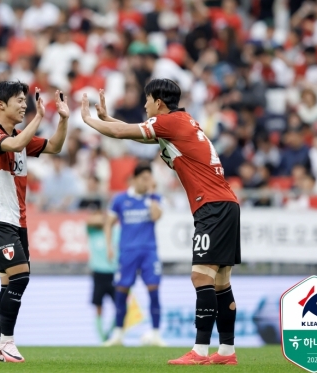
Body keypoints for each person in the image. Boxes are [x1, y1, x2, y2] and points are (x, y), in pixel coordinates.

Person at [81, 80, 241, 365]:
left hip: (212, 206)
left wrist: (88, 121)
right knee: (220, 281)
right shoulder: (182, 122)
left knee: (201, 276)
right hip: (226, 203)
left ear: (158, 102)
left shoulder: (170, 122)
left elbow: (121, 132)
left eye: (147, 100)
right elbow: (133, 134)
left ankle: (200, 352)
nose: (144, 106)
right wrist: (106, 118)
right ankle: (226, 352)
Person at [0, 82, 69, 363]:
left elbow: (55, 146)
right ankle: (7, 341)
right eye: (19, 100)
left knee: (9, 284)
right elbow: (15, 144)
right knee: (21, 276)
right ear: (1, 104)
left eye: (25, 101)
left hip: (18, 222)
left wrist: (63, 119)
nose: (24, 105)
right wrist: (39, 118)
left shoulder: (21, 135)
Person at [102, 163, 166, 347]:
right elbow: (109, 223)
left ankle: (155, 334)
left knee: (154, 290)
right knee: (121, 292)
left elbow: (155, 216)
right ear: (135, 179)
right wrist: (109, 247)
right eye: (144, 178)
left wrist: (152, 193)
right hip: (127, 252)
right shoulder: (120, 200)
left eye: (149, 178)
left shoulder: (154, 198)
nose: (147, 182)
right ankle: (118, 334)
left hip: (149, 251)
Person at [81, 176, 118, 342]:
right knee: (99, 306)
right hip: (98, 273)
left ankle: (110, 334)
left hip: (113, 273)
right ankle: (102, 337)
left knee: (120, 307)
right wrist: (104, 219)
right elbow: (90, 221)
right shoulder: (93, 231)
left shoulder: (116, 231)